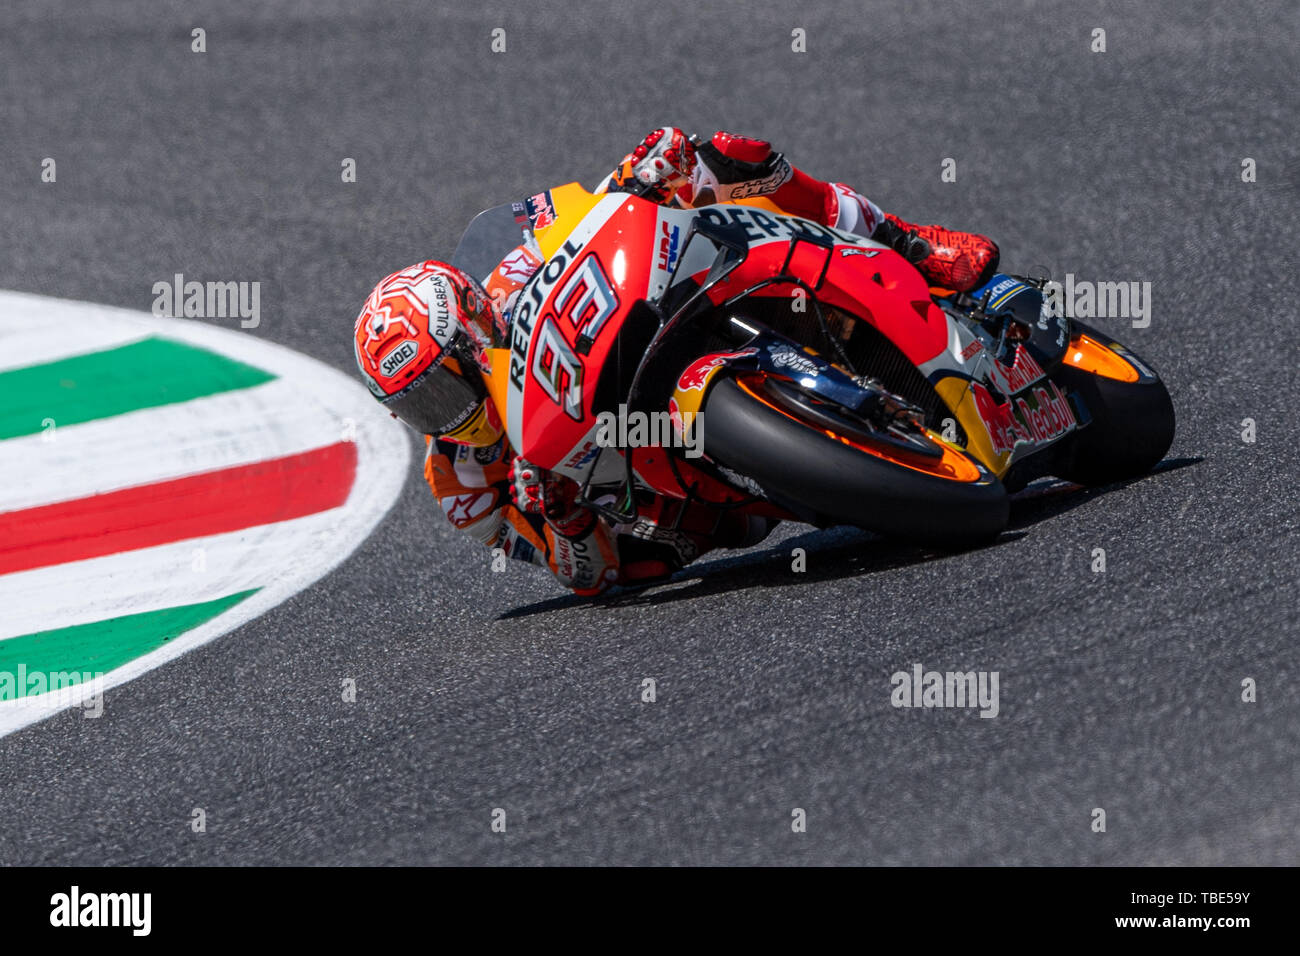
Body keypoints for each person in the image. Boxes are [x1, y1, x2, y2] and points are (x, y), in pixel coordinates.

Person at [352, 128, 1000, 594]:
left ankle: (906, 241)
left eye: (438, 390)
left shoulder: (514, 273)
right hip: (668, 515)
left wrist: (643, 172)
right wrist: (564, 518)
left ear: (470, 329)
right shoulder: (462, 484)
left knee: (729, 158)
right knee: (640, 569)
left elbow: (587, 214)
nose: (444, 417)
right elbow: (586, 577)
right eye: (417, 407)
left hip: (637, 343)